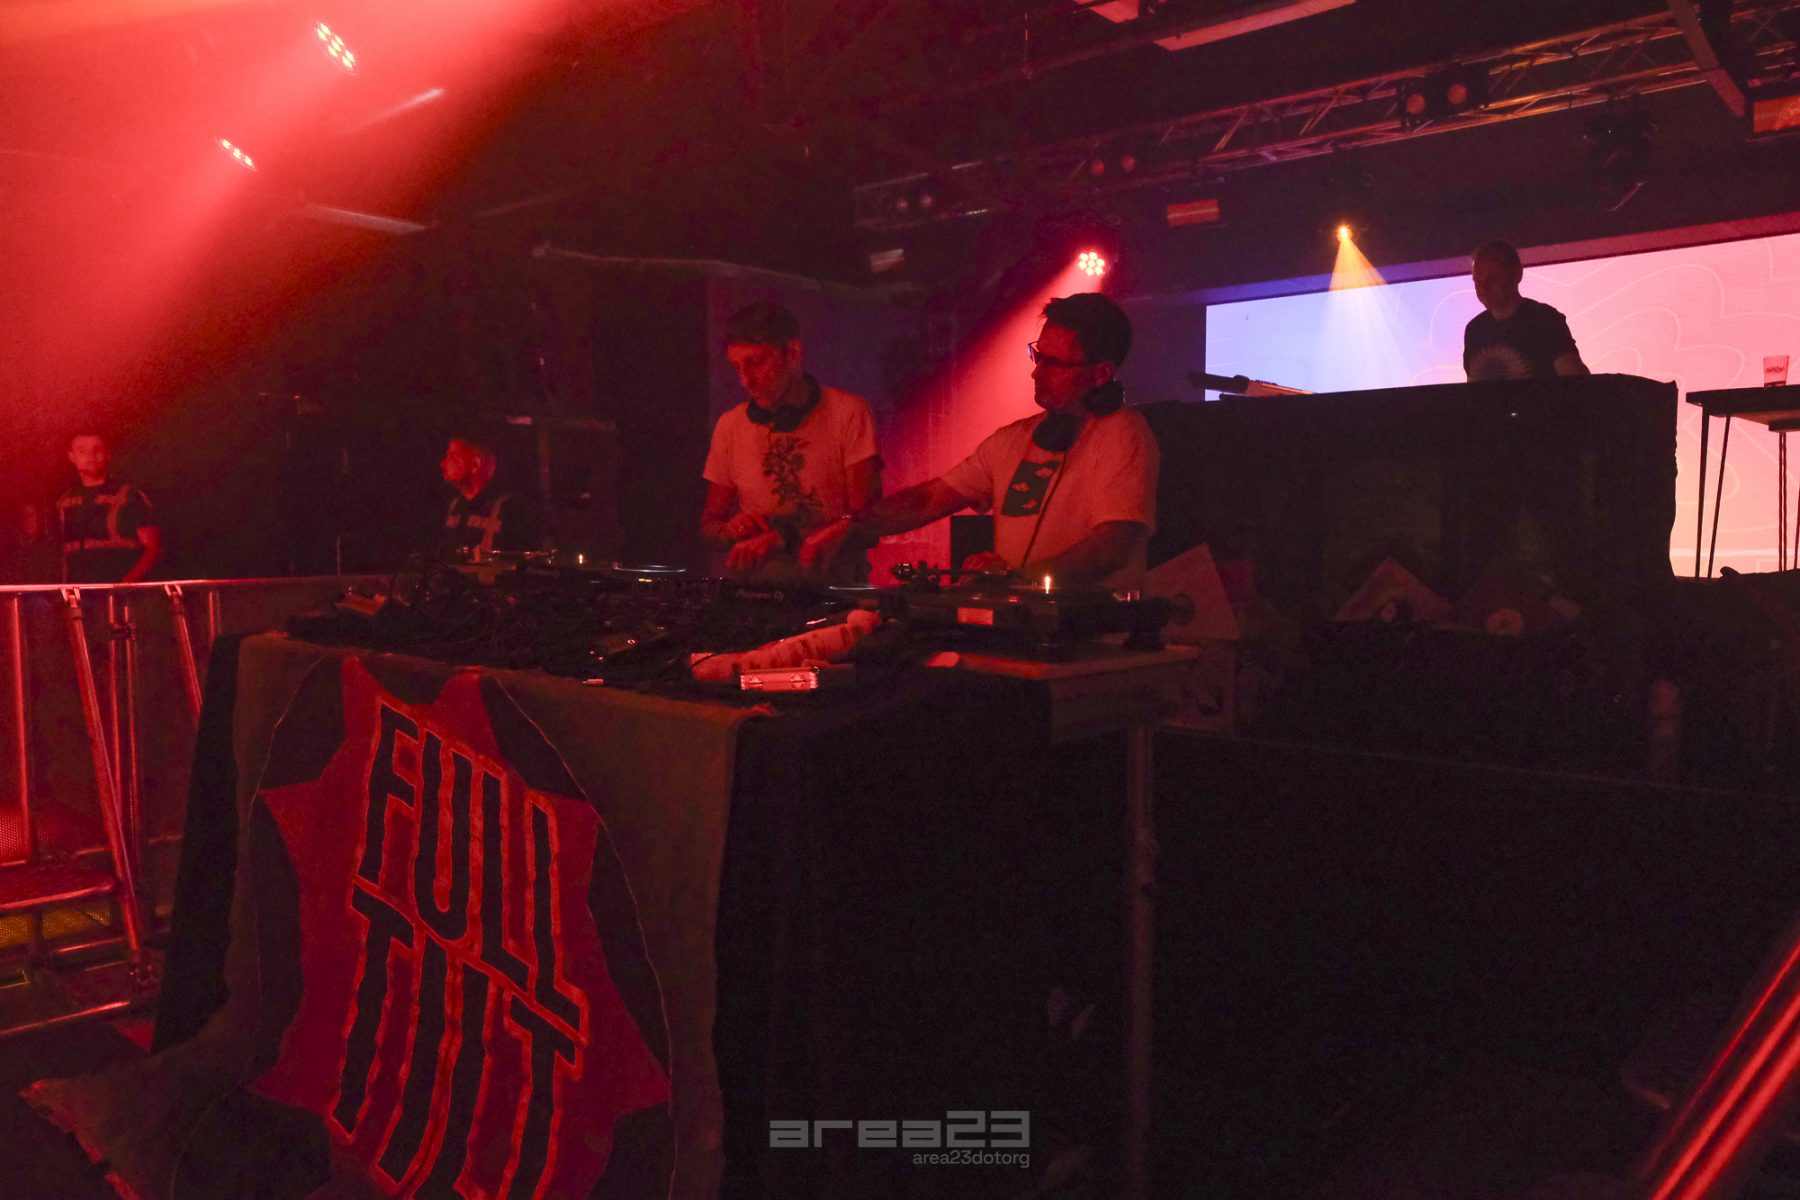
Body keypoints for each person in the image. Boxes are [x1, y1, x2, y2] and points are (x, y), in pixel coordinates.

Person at [801, 292, 1158, 592]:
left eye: (1054, 363)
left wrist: (1016, 581)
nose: (1036, 372)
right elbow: (928, 500)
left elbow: (1112, 546)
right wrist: (849, 526)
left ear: (1100, 373)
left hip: (1095, 641)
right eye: (1037, 355)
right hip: (1024, 628)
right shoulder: (1012, 441)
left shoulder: (1122, 433)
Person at [700, 301, 881, 582]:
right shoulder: (730, 425)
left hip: (834, 592)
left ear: (793, 353)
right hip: (756, 592)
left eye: (756, 363)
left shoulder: (849, 413)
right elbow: (709, 527)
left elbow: (869, 524)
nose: (746, 381)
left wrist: (785, 539)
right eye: (737, 367)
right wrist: (729, 531)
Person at [1464, 239, 1590, 382]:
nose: (1483, 288)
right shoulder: (1474, 330)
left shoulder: (1545, 320)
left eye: (1492, 279)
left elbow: (1574, 377)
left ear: (1517, 274)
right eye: (1477, 282)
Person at [57, 431, 163, 583]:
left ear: (108, 454)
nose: (91, 456)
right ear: (71, 456)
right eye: (82, 451)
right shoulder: (64, 501)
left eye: (97, 450)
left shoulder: (130, 496)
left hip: (121, 592)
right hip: (77, 593)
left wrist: (125, 586)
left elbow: (154, 549)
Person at [437, 429, 544, 560]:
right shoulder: (453, 506)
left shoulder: (511, 509)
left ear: (475, 464)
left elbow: (527, 563)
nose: (443, 464)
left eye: (453, 458)